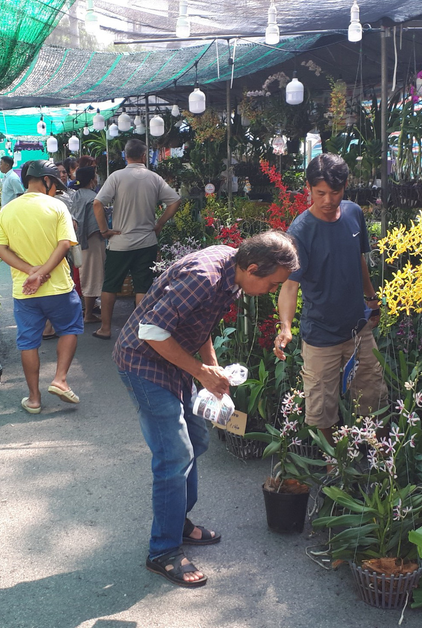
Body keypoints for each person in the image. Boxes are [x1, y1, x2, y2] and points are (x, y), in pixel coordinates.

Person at [115, 231, 299, 588]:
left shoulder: (233, 271)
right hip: (143, 364)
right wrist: (200, 371)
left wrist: (210, 374)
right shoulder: (203, 276)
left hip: (175, 363)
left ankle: (177, 522)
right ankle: (162, 551)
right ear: (253, 267)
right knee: (174, 456)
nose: (273, 291)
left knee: (197, 439)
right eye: (273, 284)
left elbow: (199, 324)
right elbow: (150, 330)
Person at [274, 153, 385, 442]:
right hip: (320, 333)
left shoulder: (353, 213)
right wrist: (286, 326)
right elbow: (289, 286)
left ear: (345, 186)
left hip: (358, 327)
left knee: (372, 393)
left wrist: (371, 297)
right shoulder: (300, 232)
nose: (327, 200)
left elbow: (359, 259)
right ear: (308, 189)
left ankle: (374, 455)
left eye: (334, 192)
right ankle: (335, 461)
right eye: (320, 192)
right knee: (321, 407)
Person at [0, 160, 85, 415]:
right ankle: (60, 379)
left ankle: (34, 399)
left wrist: (30, 272)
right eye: (55, 184)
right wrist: (43, 272)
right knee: (69, 329)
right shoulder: (56, 206)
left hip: (25, 292)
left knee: (28, 343)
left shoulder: (8, 210)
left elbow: (0, 250)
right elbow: (65, 244)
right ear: (46, 181)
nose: (56, 190)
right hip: (59, 289)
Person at [93, 139, 182, 340]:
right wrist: (159, 223)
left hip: (120, 243)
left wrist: (104, 230)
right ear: (143, 156)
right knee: (142, 285)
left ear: (126, 156)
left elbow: (97, 204)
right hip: (147, 242)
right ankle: (138, 329)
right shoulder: (154, 178)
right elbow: (175, 200)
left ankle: (105, 328)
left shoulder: (116, 177)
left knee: (110, 285)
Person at [70, 166, 104, 323]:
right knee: (92, 276)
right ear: (92, 180)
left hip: (77, 242)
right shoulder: (93, 197)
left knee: (83, 276)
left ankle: (85, 311)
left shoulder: (75, 195)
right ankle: (88, 314)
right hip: (92, 241)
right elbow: (95, 225)